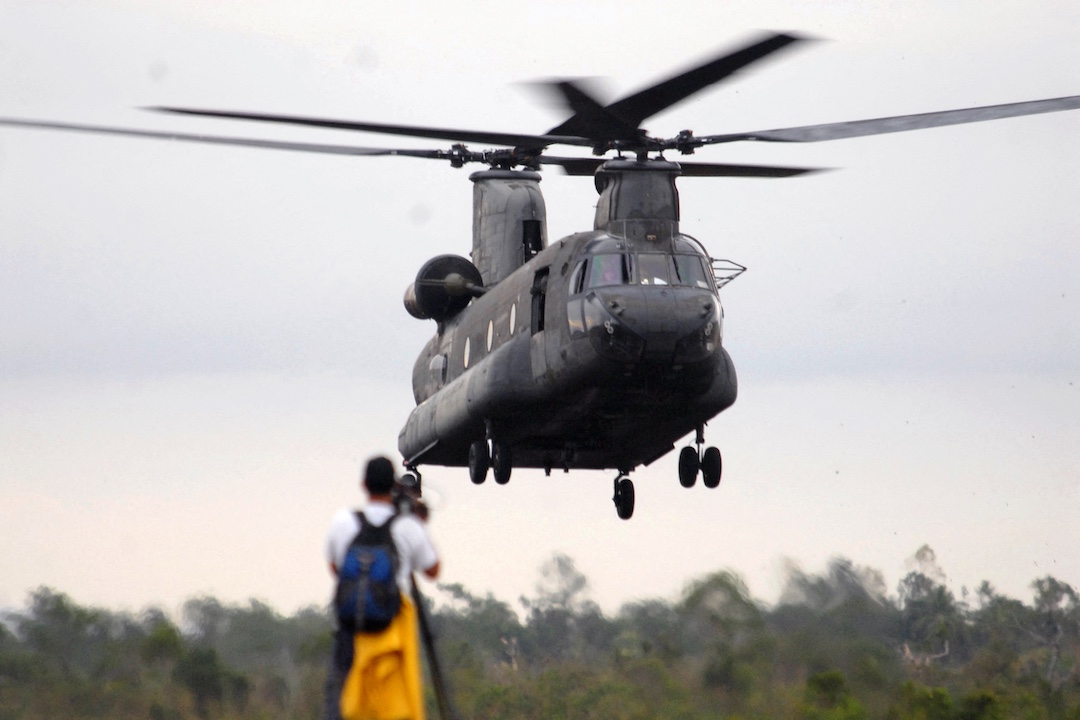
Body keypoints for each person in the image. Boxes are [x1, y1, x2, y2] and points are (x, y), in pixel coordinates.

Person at [324, 456, 440, 720]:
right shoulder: (407, 526)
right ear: (394, 486)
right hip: (391, 633)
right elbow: (433, 569)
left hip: (351, 631)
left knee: (341, 703)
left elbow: (336, 569)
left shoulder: (343, 522)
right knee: (392, 708)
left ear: (363, 484)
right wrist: (418, 522)